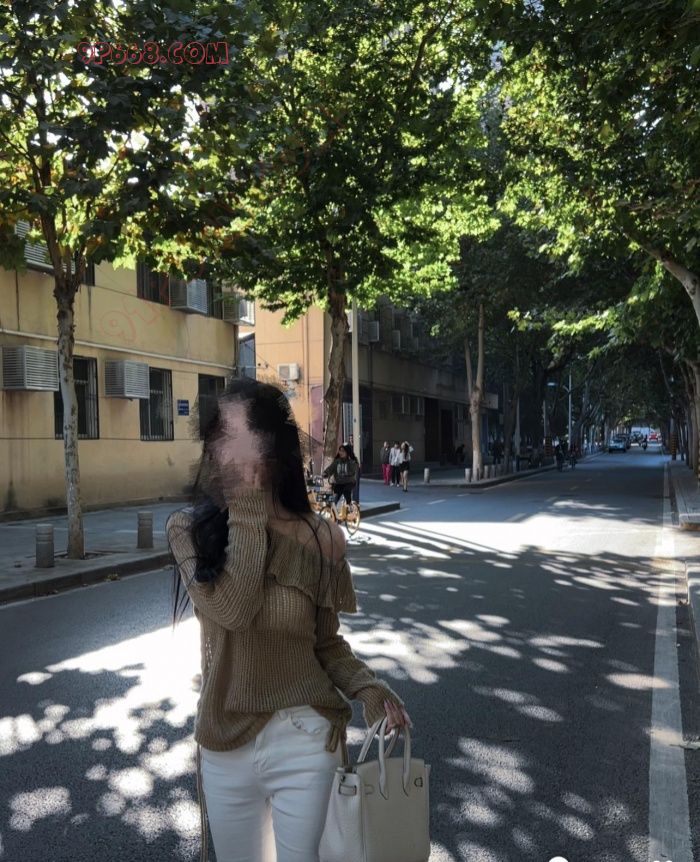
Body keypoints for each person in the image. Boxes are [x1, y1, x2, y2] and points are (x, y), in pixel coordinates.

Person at [166, 378, 410, 862]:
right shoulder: (188, 531)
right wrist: (247, 508)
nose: (224, 453)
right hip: (223, 740)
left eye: (237, 438)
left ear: (272, 448)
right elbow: (233, 610)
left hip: (305, 739)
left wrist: (369, 689)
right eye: (219, 439)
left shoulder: (320, 538)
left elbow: (327, 644)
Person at [323, 444, 358, 511]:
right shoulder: (337, 461)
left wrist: (350, 461)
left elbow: (353, 470)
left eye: (343, 451)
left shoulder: (351, 461)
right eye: (340, 451)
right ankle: (333, 512)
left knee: (346, 491)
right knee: (335, 497)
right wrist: (326, 473)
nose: (341, 452)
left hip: (349, 482)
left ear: (347, 452)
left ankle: (349, 506)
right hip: (339, 483)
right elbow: (331, 468)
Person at [346, 437, 361, 504]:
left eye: (352, 438)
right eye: (350, 438)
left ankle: (355, 499)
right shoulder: (348, 446)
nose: (351, 439)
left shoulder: (356, 446)